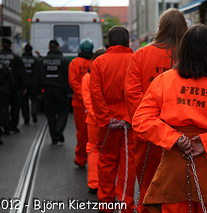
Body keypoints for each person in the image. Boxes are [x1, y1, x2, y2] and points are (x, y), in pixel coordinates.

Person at [132, 24, 207, 213]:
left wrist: (175, 139)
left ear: (183, 50)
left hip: (176, 166)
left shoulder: (164, 80)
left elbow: (141, 119)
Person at [125, 8, 187, 213]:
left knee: (147, 184)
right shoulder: (188, 56)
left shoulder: (142, 55)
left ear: (160, 28)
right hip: (181, 136)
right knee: (178, 189)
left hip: (149, 136)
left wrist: (150, 125)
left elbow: (133, 94)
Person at [90, 26, 135, 212]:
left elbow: (96, 93)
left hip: (107, 123)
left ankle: (106, 204)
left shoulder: (99, 62)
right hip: (130, 122)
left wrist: (107, 118)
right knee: (128, 164)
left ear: (108, 42)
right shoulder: (136, 60)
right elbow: (138, 91)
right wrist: (131, 116)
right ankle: (126, 204)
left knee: (107, 162)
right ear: (128, 42)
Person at [81, 47, 106, 194]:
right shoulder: (108, 75)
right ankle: (106, 184)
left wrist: (97, 116)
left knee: (93, 149)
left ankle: (93, 183)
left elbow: (87, 100)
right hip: (109, 121)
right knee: (108, 153)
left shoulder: (87, 77)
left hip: (93, 120)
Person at [37, 40, 69, 144]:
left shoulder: (42, 61)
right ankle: (59, 128)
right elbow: (68, 76)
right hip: (60, 91)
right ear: (58, 48)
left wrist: (38, 91)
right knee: (63, 111)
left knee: (50, 114)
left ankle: (53, 137)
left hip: (47, 91)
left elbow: (37, 77)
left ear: (49, 48)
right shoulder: (64, 61)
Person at [68, 38, 94, 168]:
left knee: (82, 132)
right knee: (94, 133)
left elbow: (73, 82)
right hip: (94, 103)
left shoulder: (74, 63)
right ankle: (94, 157)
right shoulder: (96, 61)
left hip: (79, 104)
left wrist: (82, 95)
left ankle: (81, 158)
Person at [0, 38, 26, 134]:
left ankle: (5, 125)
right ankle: (14, 125)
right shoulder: (16, 58)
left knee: (3, 107)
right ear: (10, 46)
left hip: (0, 87)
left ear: (2, 45)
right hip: (14, 86)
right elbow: (21, 73)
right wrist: (23, 86)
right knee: (15, 106)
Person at [21, 43, 39, 124]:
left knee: (24, 102)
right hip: (33, 83)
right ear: (31, 51)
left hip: (23, 83)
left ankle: (26, 119)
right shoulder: (35, 60)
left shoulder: (20, 59)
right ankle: (34, 111)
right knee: (34, 99)